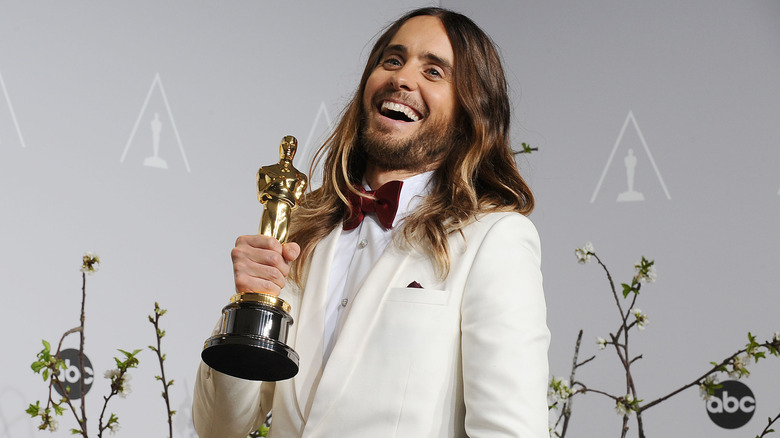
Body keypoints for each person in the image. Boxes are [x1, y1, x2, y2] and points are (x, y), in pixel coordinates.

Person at [194, 7, 549, 438]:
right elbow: (219, 428)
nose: (402, 78)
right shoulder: (302, 233)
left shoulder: (494, 239)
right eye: (393, 60)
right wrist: (250, 303)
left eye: (434, 71)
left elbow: (510, 431)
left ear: (469, 112)